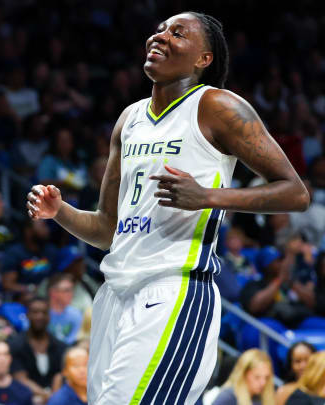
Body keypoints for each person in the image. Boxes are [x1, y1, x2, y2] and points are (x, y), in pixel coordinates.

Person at [27, 11, 310, 405]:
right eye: (160, 29)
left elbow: (295, 192)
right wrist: (61, 212)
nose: (160, 37)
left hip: (174, 289)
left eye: (178, 33)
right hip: (113, 294)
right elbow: (108, 229)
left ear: (203, 59)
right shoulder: (129, 120)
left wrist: (209, 197)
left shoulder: (217, 106)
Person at [8, 298, 67, 403]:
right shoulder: (15, 344)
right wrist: (45, 395)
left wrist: (54, 400)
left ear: (49, 316)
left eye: (44, 312)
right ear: (27, 315)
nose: (40, 316)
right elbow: (20, 378)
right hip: (23, 399)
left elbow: (60, 376)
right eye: (35, 312)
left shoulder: (60, 346)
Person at [47, 273, 83, 345]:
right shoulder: (40, 313)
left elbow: (74, 340)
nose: (71, 294)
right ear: (53, 292)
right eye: (67, 290)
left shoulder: (76, 314)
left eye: (71, 290)